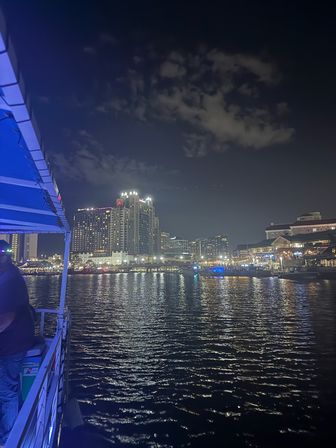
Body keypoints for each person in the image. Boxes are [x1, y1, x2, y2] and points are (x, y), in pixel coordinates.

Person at [0, 240, 35, 446]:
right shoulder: (7, 276)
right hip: (13, 341)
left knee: (6, 393)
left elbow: (5, 319)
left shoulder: (10, 281)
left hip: (11, 346)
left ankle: (8, 439)